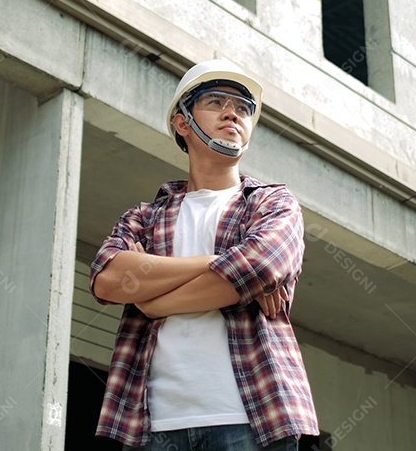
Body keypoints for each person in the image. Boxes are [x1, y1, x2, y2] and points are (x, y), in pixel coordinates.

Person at [90, 59, 318, 450]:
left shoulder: (272, 203)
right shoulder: (145, 218)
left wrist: (151, 301)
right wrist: (224, 265)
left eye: (243, 108)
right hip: (151, 426)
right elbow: (109, 281)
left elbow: (263, 264)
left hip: (252, 419)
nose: (232, 113)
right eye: (215, 102)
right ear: (183, 123)